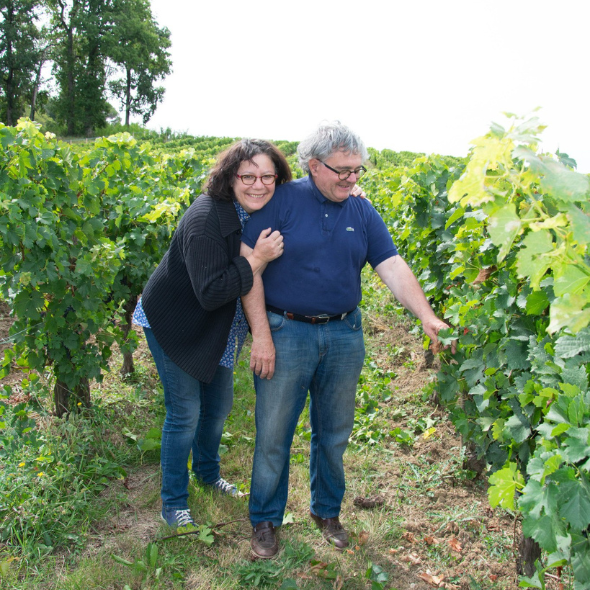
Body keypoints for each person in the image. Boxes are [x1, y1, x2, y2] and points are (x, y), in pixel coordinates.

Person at [240, 121, 453, 559]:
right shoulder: (280, 201)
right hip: (287, 331)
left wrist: (427, 315)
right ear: (314, 166)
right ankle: (265, 518)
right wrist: (261, 334)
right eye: (343, 170)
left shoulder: (361, 210)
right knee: (274, 432)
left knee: (334, 432)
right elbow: (249, 268)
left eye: (358, 170)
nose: (352, 178)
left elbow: (391, 265)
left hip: (343, 334)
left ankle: (327, 511)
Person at [133, 139, 291, 528]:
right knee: (185, 413)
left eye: (267, 176)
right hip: (174, 323)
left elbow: (309, 194)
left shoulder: (247, 209)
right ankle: (173, 502)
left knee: (218, 407)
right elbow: (210, 292)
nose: (259, 184)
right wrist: (257, 259)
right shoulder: (206, 218)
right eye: (248, 176)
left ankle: (206, 473)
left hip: (213, 327)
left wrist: (352, 190)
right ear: (230, 176)